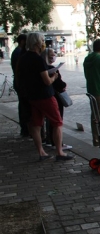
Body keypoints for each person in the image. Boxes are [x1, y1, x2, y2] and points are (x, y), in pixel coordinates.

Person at [18, 33, 73, 161]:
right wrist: (54, 76)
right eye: (42, 40)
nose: (44, 43)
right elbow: (47, 81)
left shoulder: (23, 58)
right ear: (37, 43)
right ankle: (59, 152)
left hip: (32, 96)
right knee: (57, 122)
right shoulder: (38, 59)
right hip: (45, 95)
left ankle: (41, 152)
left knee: (36, 124)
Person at [40, 47, 72, 151]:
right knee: (57, 121)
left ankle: (50, 140)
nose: (54, 56)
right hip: (55, 97)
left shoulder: (43, 68)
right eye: (52, 54)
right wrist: (61, 83)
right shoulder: (51, 69)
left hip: (46, 96)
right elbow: (59, 84)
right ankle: (58, 144)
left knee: (49, 121)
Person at [11, 34, 29, 136]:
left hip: (19, 83)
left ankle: (25, 128)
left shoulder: (17, 52)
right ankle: (25, 129)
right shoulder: (19, 52)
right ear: (22, 41)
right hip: (21, 84)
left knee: (23, 106)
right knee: (24, 107)